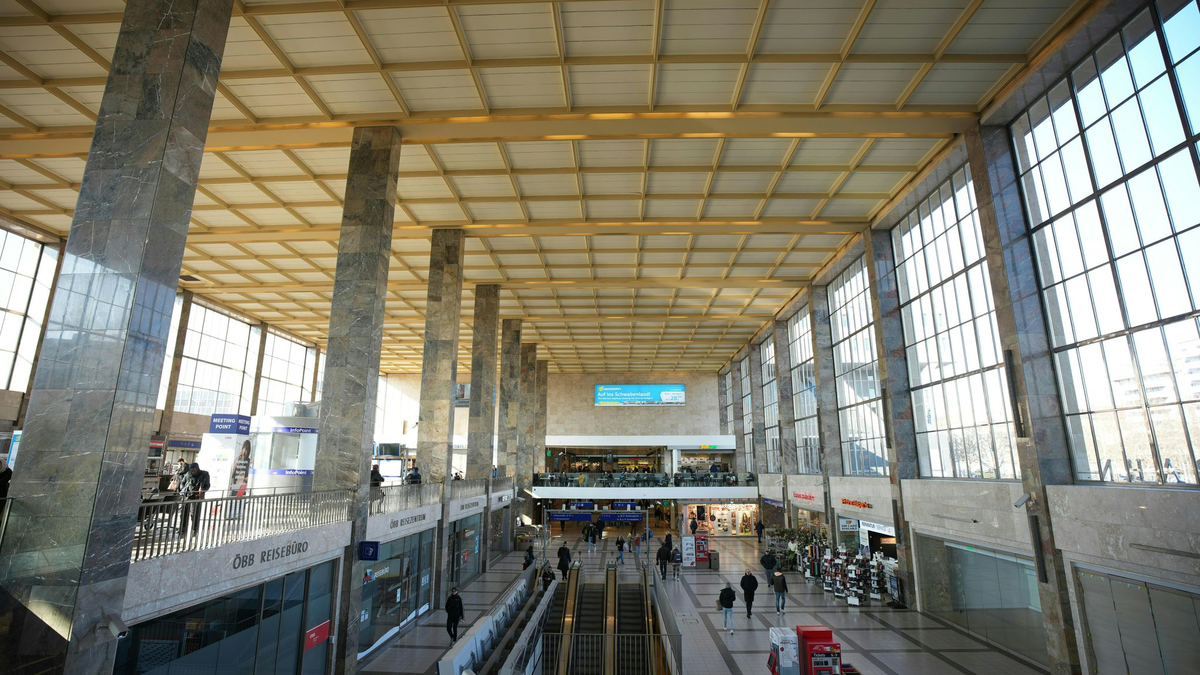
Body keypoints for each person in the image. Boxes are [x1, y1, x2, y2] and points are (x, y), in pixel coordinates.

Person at [177, 462, 210, 536]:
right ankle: (182, 529)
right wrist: (182, 487)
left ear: (197, 468)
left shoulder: (204, 474)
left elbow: (208, 485)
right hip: (187, 496)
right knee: (184, 513)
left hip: (197, 497)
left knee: (195, 514)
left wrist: (203, 489)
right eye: (191, 469)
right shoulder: (188, 474)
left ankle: (195, 529)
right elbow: (182, 482)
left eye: (194, 469)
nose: (193, 471)